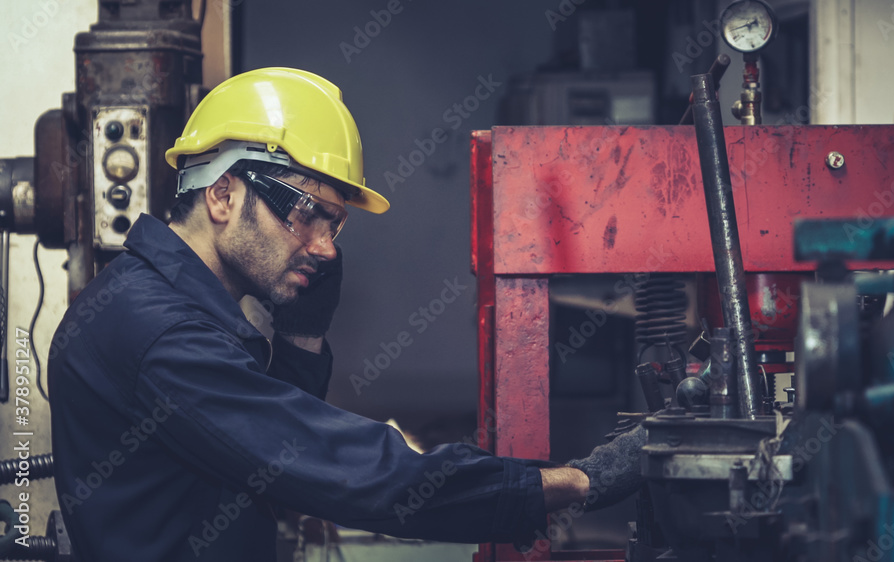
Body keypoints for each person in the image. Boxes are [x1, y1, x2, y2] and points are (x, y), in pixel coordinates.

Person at [48, 67, 644, 562]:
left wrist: (302, 332)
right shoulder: (162, 333)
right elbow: (332, 465)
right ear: (223, 194)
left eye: (335, 224)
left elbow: (264, 453)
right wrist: (573, 483)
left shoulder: (167, 304)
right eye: (307, 211)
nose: (327, 246)